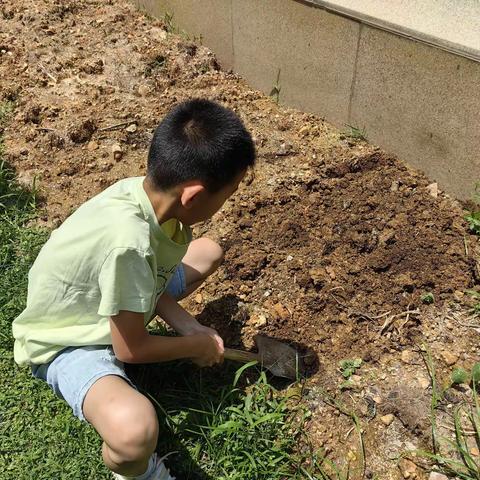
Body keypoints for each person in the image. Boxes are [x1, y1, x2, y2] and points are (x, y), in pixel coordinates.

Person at [12, 98, 256, 480]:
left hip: (119, 295)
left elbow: (148, 276)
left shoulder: (145, 197)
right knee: (134, 432)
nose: (227, 202)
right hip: (72, 337)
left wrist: (187, 324)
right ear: (193, 195)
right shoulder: (128, 241)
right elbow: (131, 348)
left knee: (207, 252)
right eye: (229, 194)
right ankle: (139, 473)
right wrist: (195, 346)